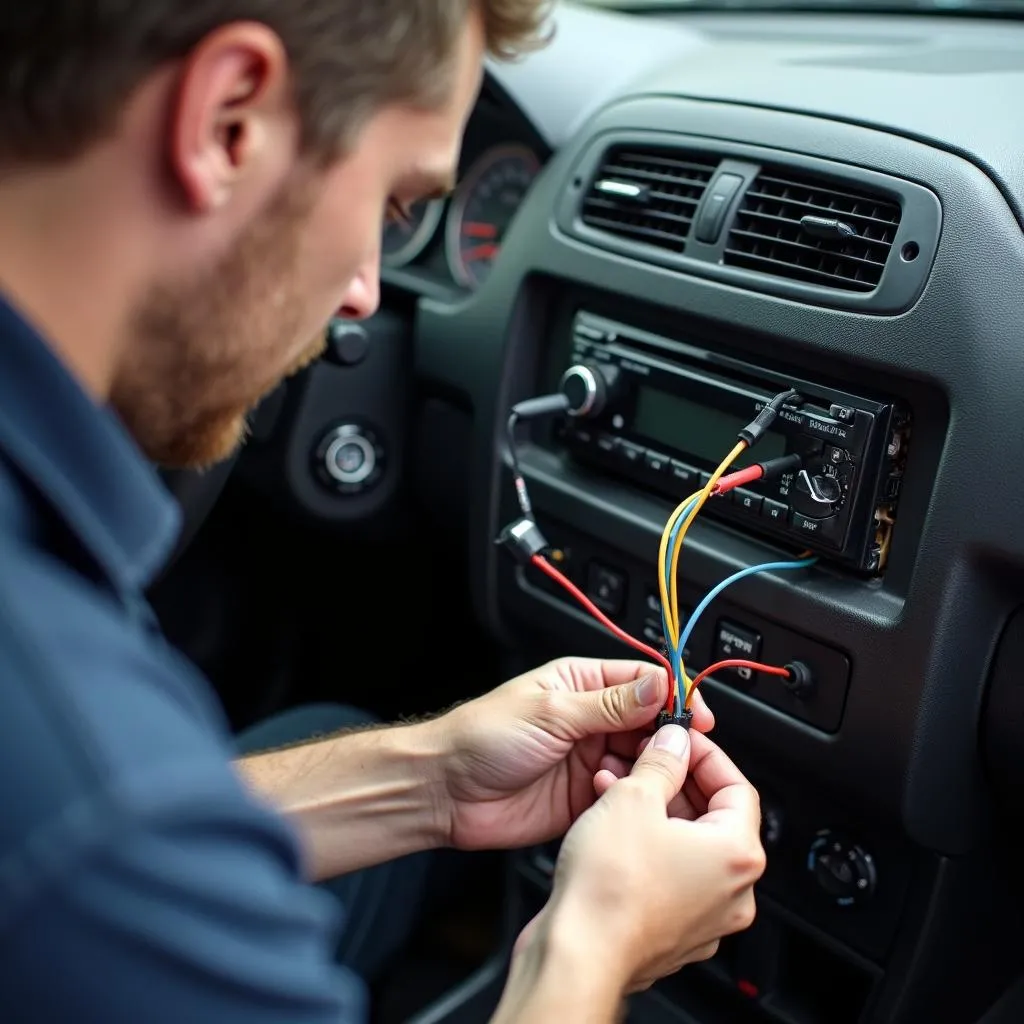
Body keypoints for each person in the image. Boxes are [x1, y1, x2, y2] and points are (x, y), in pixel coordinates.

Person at [0, 2, 767, 1021]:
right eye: (396, 201)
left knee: (334, 731)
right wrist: (591, 946)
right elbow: (115, 830)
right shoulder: (94, 794)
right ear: (228, 120)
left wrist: (432, 781)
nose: (366, 288)